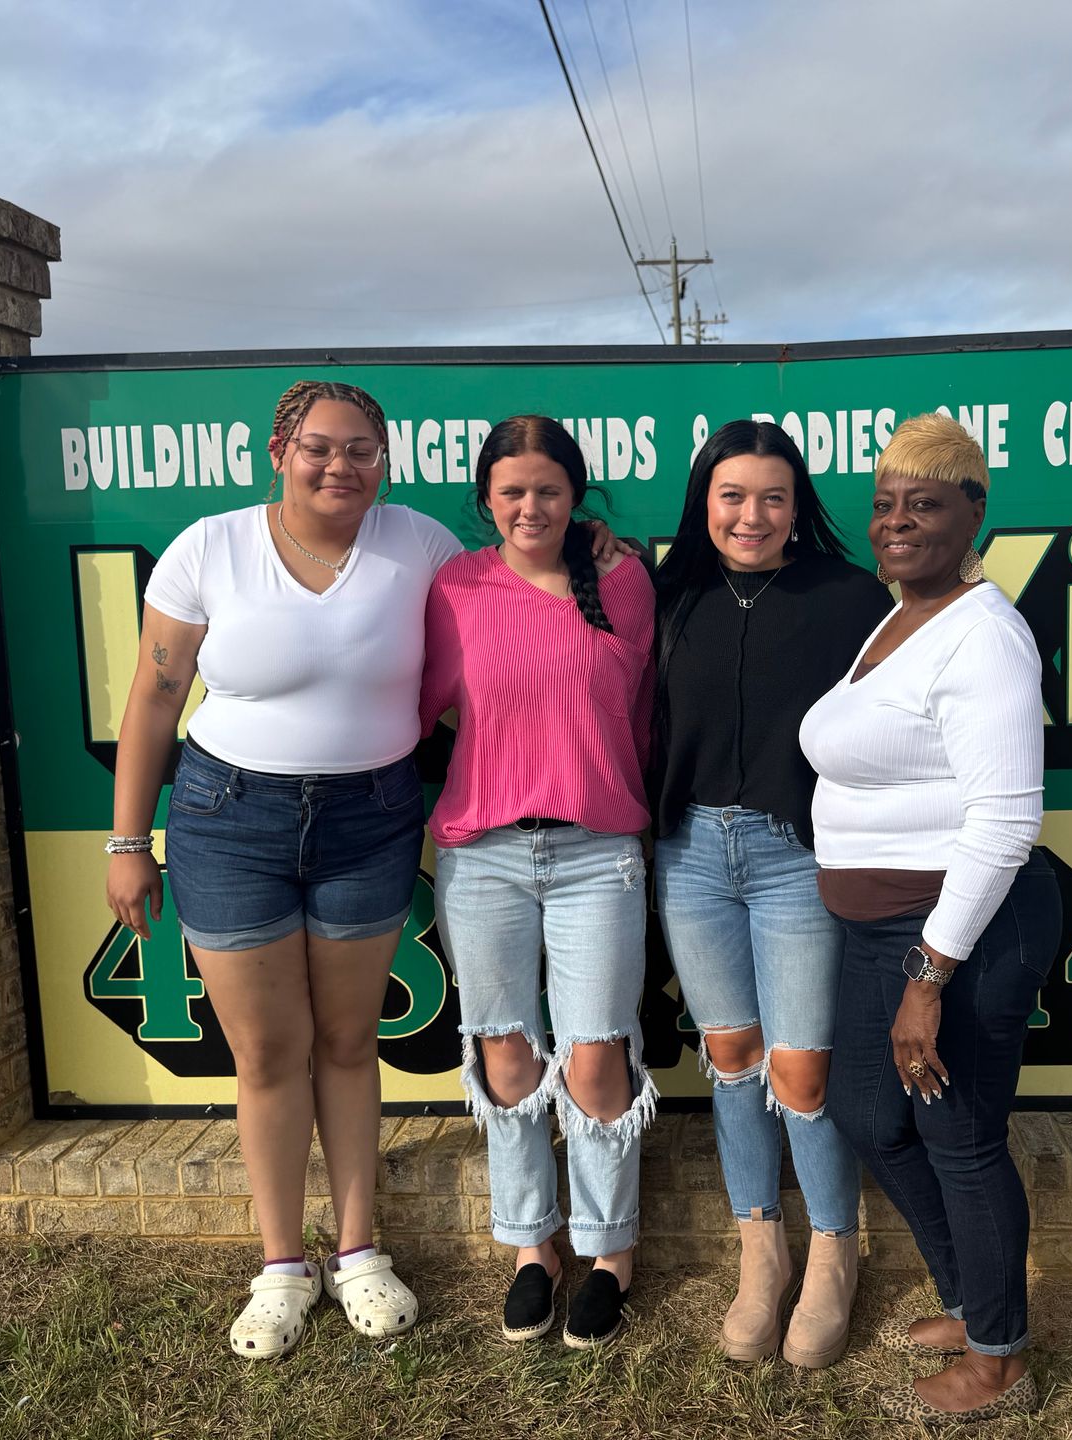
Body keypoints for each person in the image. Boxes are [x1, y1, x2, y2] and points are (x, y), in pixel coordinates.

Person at [105, 380, 450, 1359]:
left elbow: (503, 614)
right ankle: (280, 1269)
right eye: (321, 447)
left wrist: (589, 548)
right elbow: (151, 701)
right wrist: (129, 841)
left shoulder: (419, 546)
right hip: (228, 820)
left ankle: (358, 1252)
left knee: (347, 1043)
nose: (341, 466)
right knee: (265, 1056)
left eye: (362, 451)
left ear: (384, 462)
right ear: (279, 450)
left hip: (371, 819)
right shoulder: (210, 547)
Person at [799, 412, 1060, 1422]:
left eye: (925, 504)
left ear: (973, 512)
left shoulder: (986, 634)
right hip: (877, 932)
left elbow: (1003, 821)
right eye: (884, 505)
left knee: (960, 1136)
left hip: (957, 937)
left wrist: (929, 976)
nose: (897, 523)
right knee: (872, 1115)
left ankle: (1000, 1361)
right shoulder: (901, 614)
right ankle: (971, 1300)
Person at [650, 419, 892, 1367]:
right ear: (704, 503)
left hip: (798, 856)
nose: (752, 516)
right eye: (732, 496)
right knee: (733, 1057)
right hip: (692, 853)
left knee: (803, 1071)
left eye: (773, 497)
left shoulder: (848, 598)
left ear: (799, 506)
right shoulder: (669, 591)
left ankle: (834, 1251)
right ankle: (763, 1251)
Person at [419, 415, 656, 1349]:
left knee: (597, 1057)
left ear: (576, 497)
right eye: (512, 491)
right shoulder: (457, 587)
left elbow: (648, 708)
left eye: (548, 490)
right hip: (484, 855)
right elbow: (417, 702)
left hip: (599, 852)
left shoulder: (625, 580)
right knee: (508, 1059)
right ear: (486, 499)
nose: (530, 507)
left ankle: (609, 1251)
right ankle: (533, 1245)